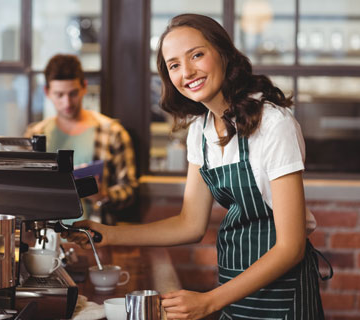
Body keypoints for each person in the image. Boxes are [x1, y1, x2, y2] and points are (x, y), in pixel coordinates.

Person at [67, 14, 330, 319]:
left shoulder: (272, 123)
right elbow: (190, 224)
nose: (187, 71)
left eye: (197, 55)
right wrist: (108, 234)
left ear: (223, 53)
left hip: (283, 298)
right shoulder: (201, 130)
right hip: (234, 290)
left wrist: (209, 301)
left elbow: (291, 247)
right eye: (174, 65)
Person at [24, 54, 138, 223]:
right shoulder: (35, 134)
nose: (67, 102)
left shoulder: (112, 132)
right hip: (45, 236)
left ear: (84, 87)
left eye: (73, 93)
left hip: (93, 233)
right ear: (47, 92)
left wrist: (104, 194)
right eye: (59, 94)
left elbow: (129, 190)